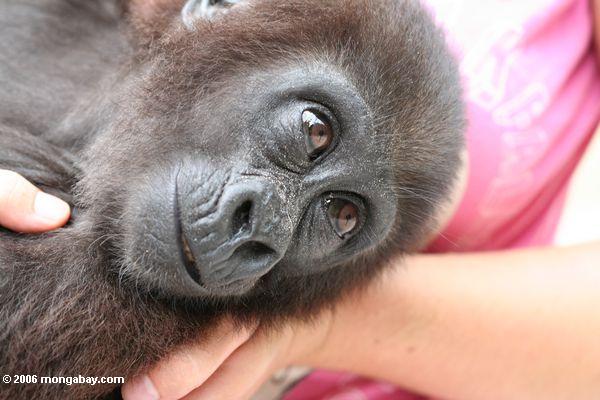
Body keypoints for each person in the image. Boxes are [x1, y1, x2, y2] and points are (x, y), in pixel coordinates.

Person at [2, 0, 600, 399]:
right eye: (313, 132)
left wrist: (301, 331)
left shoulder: (105, 311)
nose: (264, 231)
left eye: (342, 218)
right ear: (214, 10)